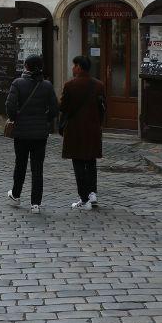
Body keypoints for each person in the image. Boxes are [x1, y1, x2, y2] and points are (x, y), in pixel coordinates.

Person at [5, 54, 58, 213]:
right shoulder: (47, 85)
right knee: (37, 168)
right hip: (40, 134)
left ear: (26, 66)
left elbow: (10, 106)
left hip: (21, 132)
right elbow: (54, 109)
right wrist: (44, 119)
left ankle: (16, 195)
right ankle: (36, 203)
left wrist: (15, 118)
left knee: (20, 164)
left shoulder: (18, 83)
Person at [60, 54, 106, 210]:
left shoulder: (70, 85)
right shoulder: (99, 85)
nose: (72, 68)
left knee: (78, 163)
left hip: (75, 129)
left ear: (79, 67)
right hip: (93, 129)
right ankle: (92, 194)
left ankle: (84, 198)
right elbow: (103, 108)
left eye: (74, 65)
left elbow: (63, 107)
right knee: (91, 161)